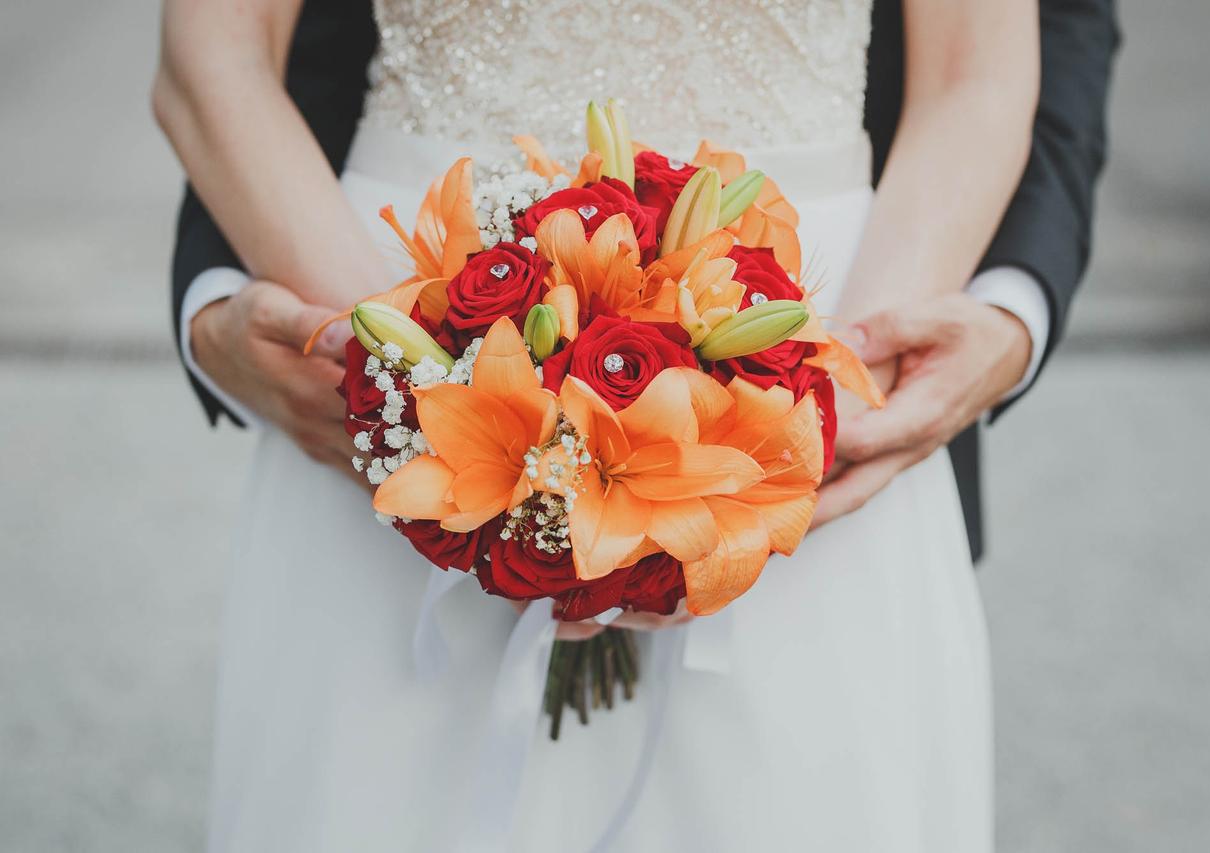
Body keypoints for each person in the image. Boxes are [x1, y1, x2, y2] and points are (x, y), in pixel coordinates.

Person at [154, 1, 1116, 850]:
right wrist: (415, 389)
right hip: (395, 292)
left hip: (816, 317)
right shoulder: (400, 371)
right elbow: (215, 53)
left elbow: (976, 73)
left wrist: (817, 408)